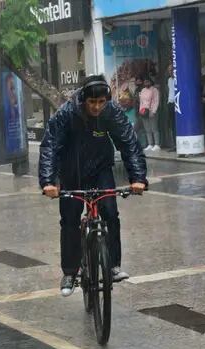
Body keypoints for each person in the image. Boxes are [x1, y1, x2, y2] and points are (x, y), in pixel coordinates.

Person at [39, 74, 148, 297]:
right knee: (69, 220)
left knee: (110, 211)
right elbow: (50, 147)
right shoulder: (67, 114)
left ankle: (114, 265)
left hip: (101, 170)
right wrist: (48, 182)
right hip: (71, 174)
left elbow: (128, 143)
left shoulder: (111, 112)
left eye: (101, 102)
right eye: (92, 102)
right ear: (83, 100)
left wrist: (138, 178)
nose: (97, 107)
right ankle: (70, 272)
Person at [139, 78, 160, 151]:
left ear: (151, 82)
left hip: (151, 111)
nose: (146, 83)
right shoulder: (143, 90)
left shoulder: (154, 90)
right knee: (147, 129)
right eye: (145, 82)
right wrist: (140, 110)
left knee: (154, 128)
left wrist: (153, 111)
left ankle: (157, 144)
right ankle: (150, 144)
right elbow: (141, 102)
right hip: (144, 111)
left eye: (147, 81)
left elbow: (156, 101)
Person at [166, 64, 176, 151]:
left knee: (177, 124)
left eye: (172, 70)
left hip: (177, 103)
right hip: (170, 102)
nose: (170, 72)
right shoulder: (169, 80)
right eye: (169, 70)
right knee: (172, 125)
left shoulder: (178, 79)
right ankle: (174, 144)